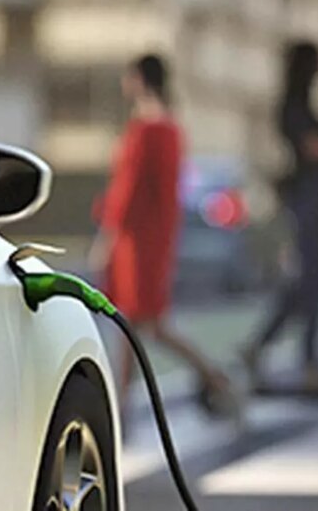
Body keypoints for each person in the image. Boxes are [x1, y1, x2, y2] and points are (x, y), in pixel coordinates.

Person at [91, 54, 236, 420]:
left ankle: (213, 378)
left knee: (146, 323)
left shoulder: (147, 130)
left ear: (139, 79)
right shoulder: (169, 128)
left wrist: (107, 239)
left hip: (137, 240)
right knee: (136, 324)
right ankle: (121, 404)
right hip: (152, 238)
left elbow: (128, 191)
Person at [242, 41, 318, 389]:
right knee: (311, 282)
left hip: (310, 197)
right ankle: (306, 362)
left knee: (308, 284)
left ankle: (262, 349)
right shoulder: (294, 107)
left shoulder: (300, 105)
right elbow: (312, 149)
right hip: (306, 199)